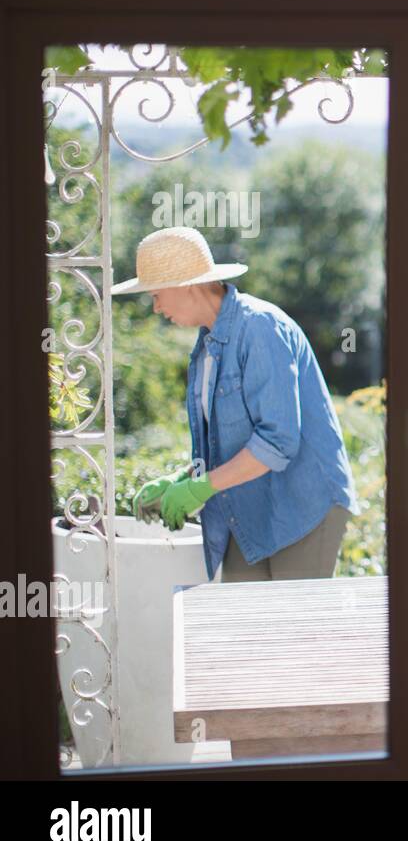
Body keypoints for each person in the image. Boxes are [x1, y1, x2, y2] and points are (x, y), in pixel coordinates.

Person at [112, 226, 359, 583]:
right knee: (245, 627)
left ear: (187, 285)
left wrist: (198, 488)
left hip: (303, 503)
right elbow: (228, 443)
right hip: (251, 506)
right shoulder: (206, 346)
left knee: (295, 633)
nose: (155, 308)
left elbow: (277, 441)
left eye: (156, 295)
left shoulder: (260, 327)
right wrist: (182, 478)